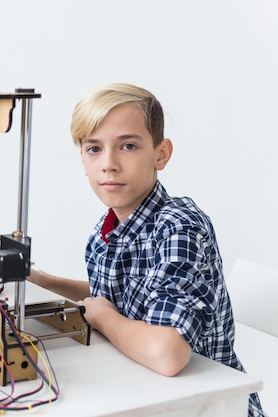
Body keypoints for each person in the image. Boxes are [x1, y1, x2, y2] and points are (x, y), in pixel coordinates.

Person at [27, 82, 265, 416]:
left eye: (127, 146)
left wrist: (102, 316)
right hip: (144, 393)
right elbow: (114, 297)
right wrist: (44, 281)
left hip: (207, 406)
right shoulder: (106, 231)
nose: (108, 164)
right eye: (94, 148)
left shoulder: (179, 228)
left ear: (161, 154)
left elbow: (167, 353)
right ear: (82, 158)